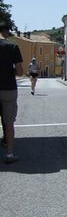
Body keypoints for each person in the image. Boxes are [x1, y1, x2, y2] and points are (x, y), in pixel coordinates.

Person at [0, 21, 23, 163]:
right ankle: (9, 154)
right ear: (7, 32)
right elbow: (20, 71)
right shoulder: (12, 46)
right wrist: (10, 71)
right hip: (8, 88)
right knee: (9, 122)